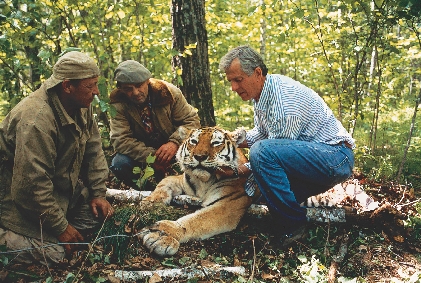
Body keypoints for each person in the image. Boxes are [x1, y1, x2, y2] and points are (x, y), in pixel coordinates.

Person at [218, 45, 355, 238]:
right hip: (316, 157)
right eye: (231, 81)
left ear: (257, 73)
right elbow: (265, 135)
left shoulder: (284, 102)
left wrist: (240, 170)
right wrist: (232, 141)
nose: (233, 88)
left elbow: (269, 152)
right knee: (263, 198)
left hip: (335, 156)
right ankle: (284, 219)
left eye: (238, 80)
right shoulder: (262, 95)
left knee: (261, 154)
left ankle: (293, 227)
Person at [0, 51, 114, 266]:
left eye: (96, 84)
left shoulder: (81, 105)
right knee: (56, 254)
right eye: (90, 86)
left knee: (99, 218)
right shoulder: (36, 120)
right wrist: (60, 227)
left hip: (58, 195)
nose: (96, 92)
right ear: (67, 86)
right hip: (15, 203)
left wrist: (98, 193)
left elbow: (94, 151)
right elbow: (30, 186)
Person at [109, 60, 201, 188]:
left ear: (148, 80)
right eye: (128, 89)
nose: (135, 92)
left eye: (139, 85)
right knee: (120, 164)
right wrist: (151, 157)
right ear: (121, 89)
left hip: (175, 151)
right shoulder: (117, 104)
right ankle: (148, 191)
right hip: (142, 155)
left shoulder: (169, 93)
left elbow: (191, 121)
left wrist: (175, 142)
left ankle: (185, 187)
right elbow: (121, 140)